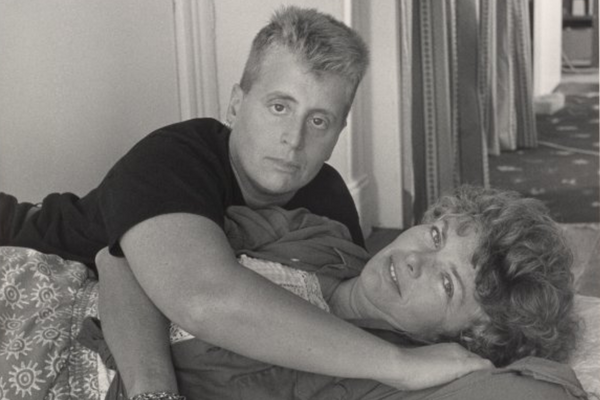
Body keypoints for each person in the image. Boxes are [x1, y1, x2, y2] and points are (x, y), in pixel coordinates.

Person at [0, 6, 490, 399]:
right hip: (23, 250)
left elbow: (321, 314)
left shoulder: (329, 198)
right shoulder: (174, 156)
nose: (293, 138)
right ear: (236, 105)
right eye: (279, 106)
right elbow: (201, 297)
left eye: (320, 121)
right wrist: (400, 366)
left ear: (340, 132)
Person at [89, 185, 582, 400]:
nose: (413, 258)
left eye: (446, 281)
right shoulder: (312, 233)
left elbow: (539, 389)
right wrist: (153, 389)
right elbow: (120, 254)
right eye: (435, 235)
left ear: (470, 336)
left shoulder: (369, 384)